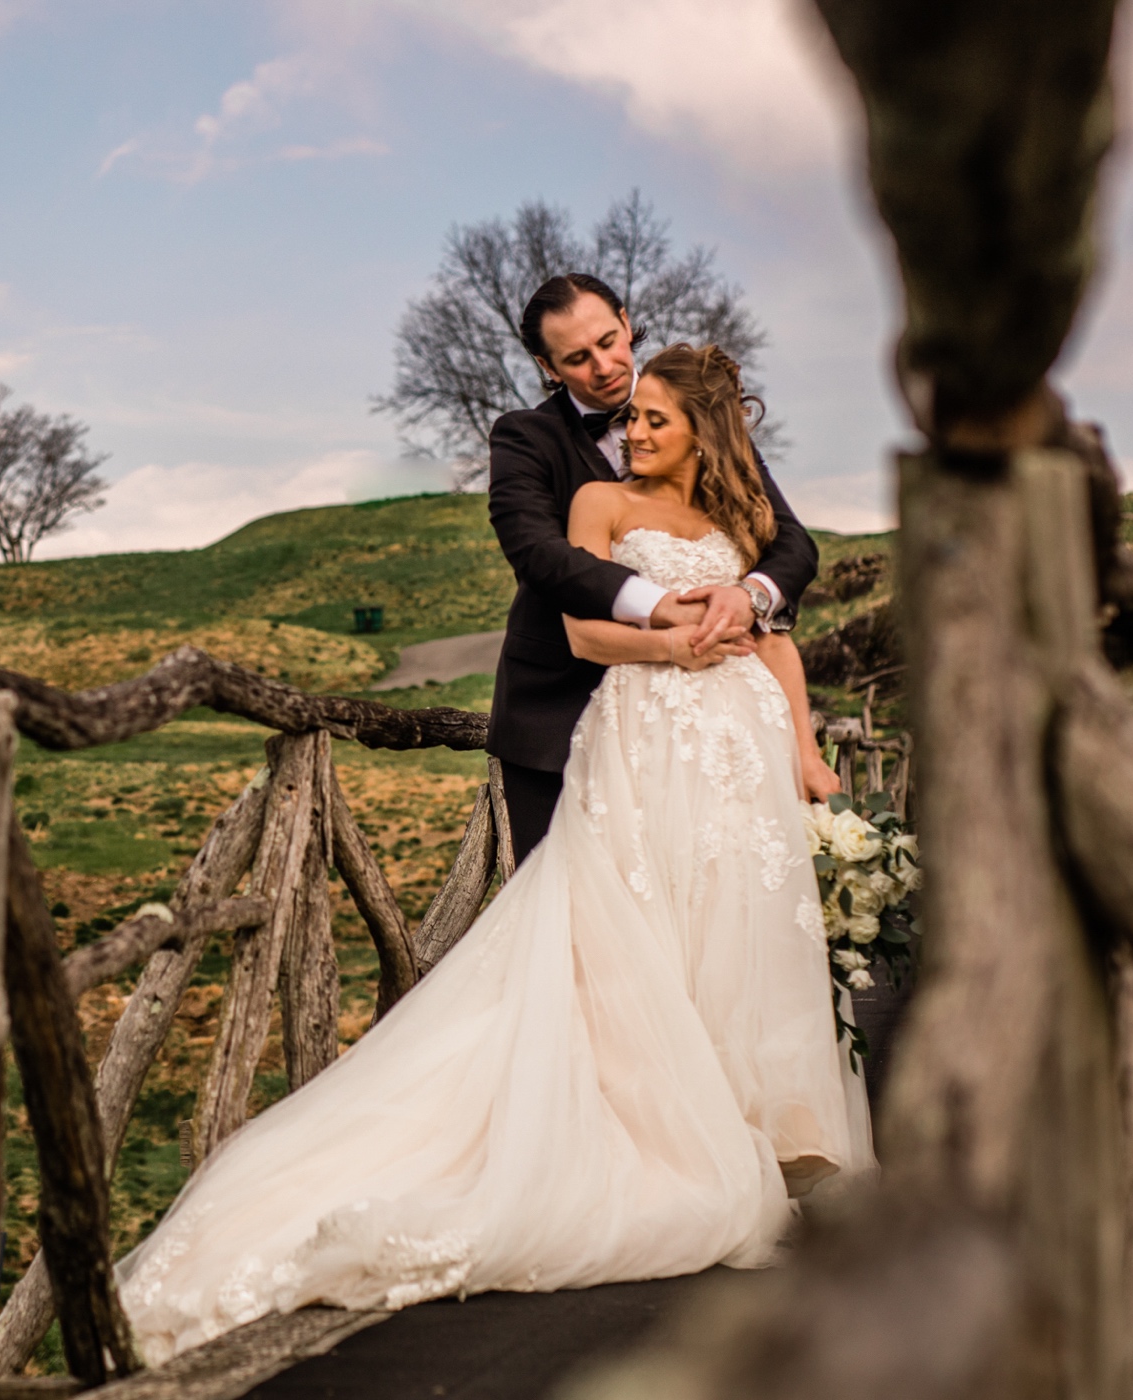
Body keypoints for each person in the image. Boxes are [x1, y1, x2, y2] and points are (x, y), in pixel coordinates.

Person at [112, 338, 871, 1366]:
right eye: (630, 414)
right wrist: (677, 643)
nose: (632, 431)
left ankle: (748, 1117)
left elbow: (777, 630)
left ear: (704, 428)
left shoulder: (742, 521)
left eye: (653, 417)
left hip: (734, 747)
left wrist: (802, 742)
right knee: (628, 921)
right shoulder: (601, 505)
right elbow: (584, 635)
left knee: (731, 919)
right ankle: (647, 1126)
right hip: (644, 726)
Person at [486, 273, 828, 863]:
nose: (604, 366)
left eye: (609, 340)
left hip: (705, 728)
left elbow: (790, 541)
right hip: (559, 717)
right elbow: (538, 553)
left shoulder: (703, 416)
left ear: (626, 320)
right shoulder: (525, 438)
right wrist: (660, 606)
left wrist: (748, 596)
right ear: (548, 366)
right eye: (577, 358)